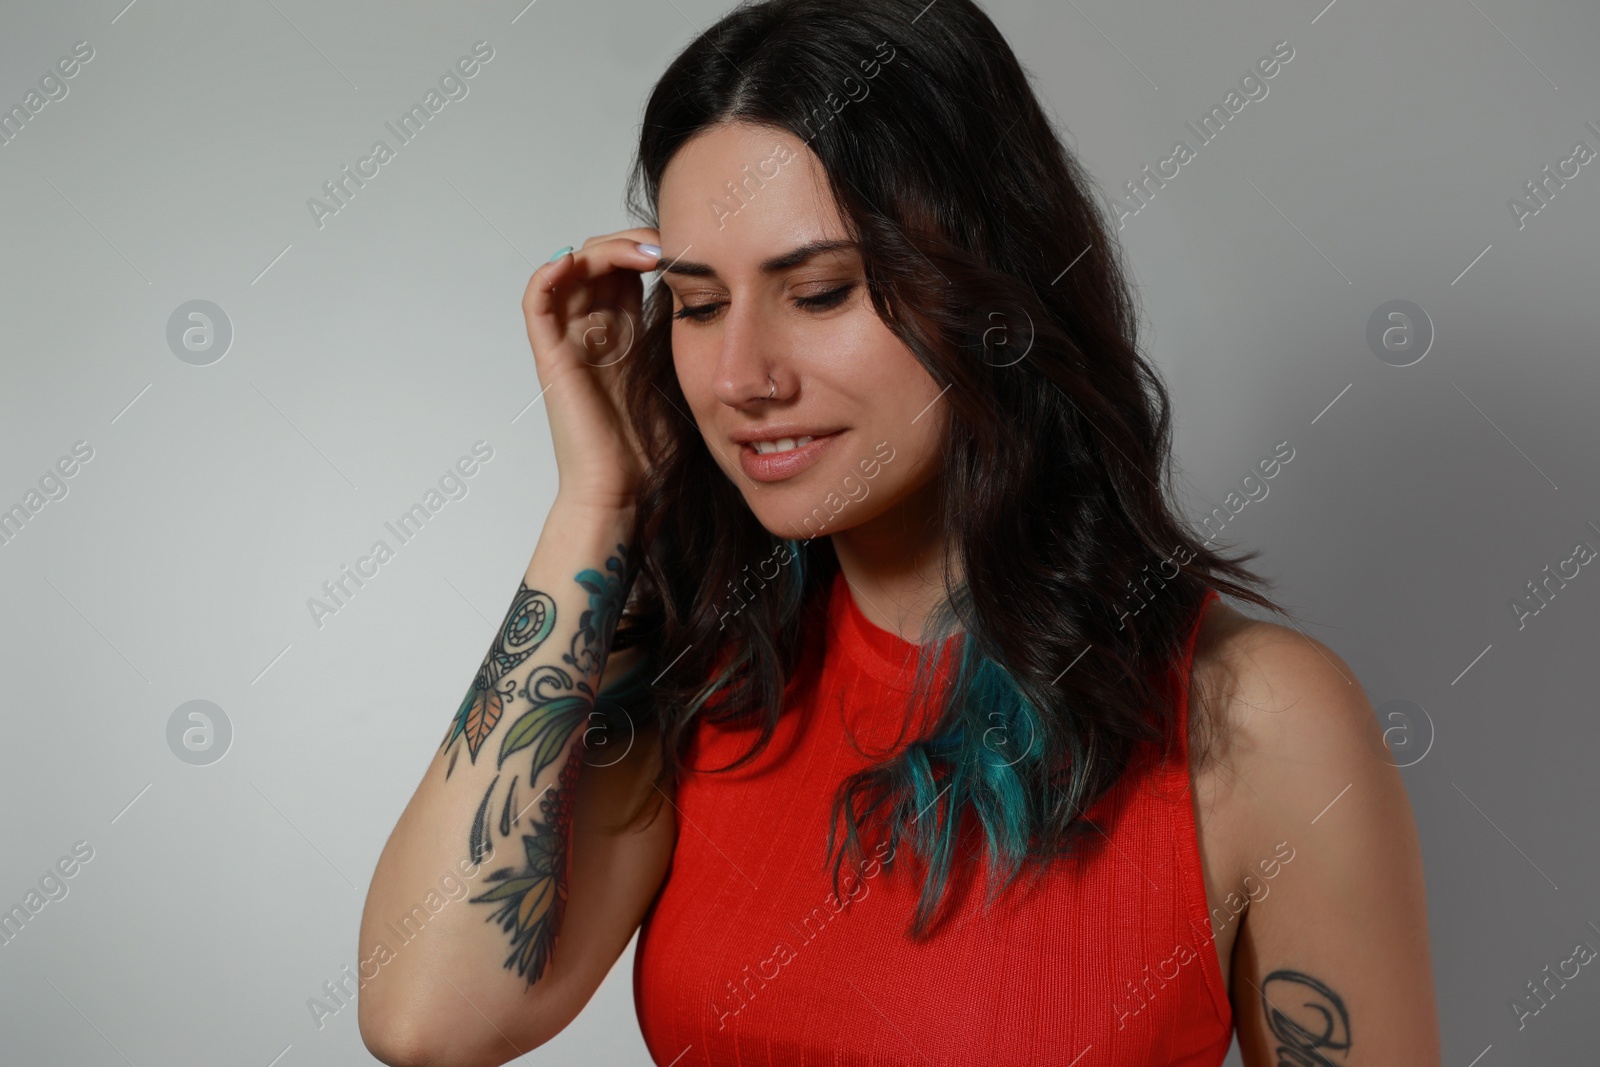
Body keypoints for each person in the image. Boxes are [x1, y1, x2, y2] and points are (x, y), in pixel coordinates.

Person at [358, 1, 1441, 1064]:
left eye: (820, 291)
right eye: (694, 304)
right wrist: (599, 499)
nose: (742, 377)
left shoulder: (1262, 719)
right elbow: (426, 1016)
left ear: (988, 290)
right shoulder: (704, 673)